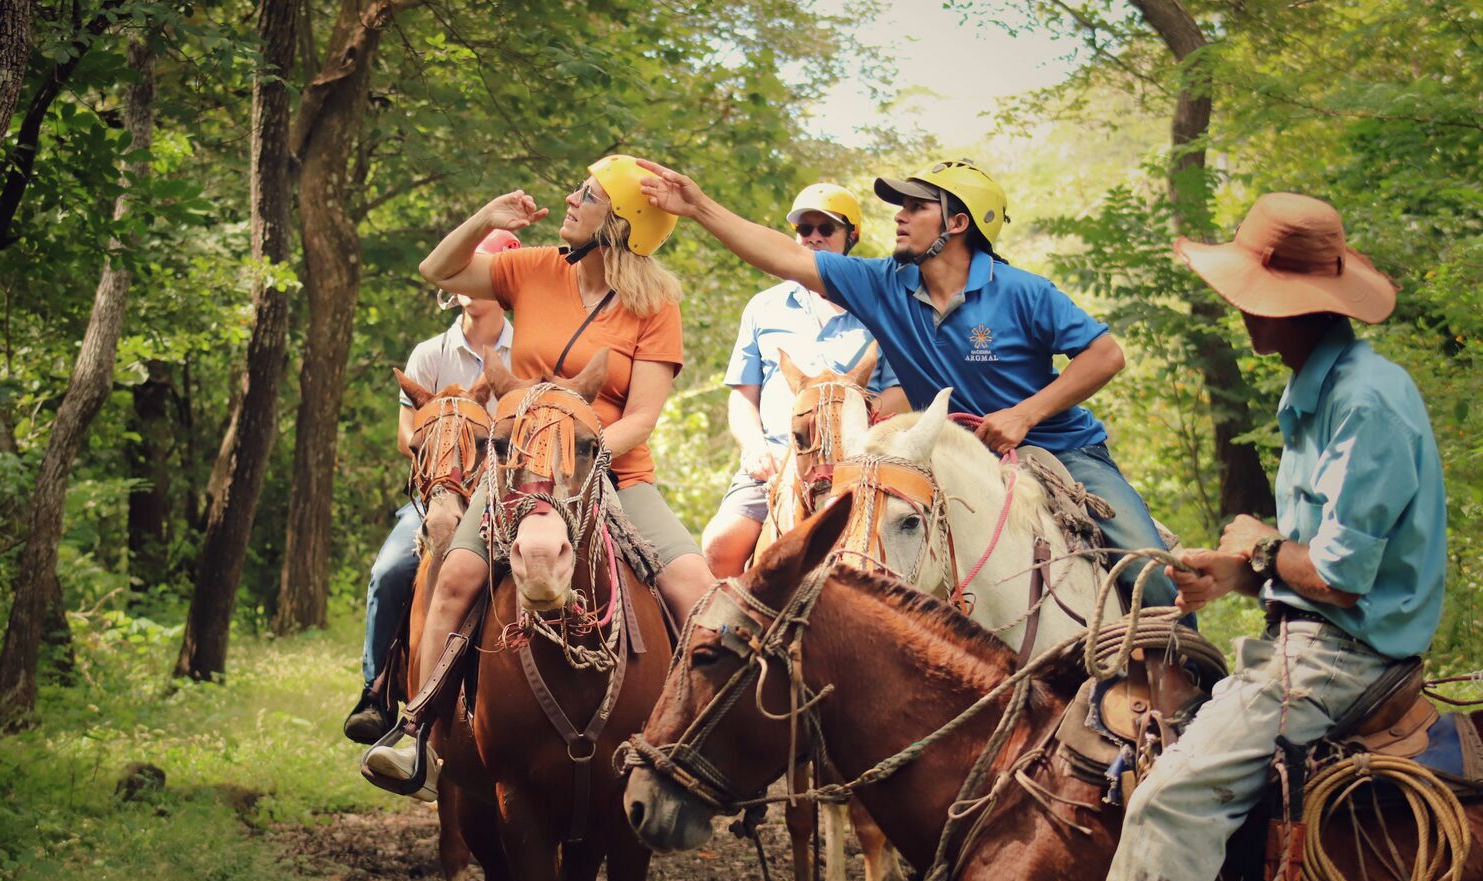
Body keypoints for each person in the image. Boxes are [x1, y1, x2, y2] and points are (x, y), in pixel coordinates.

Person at [1075, 193, 1445, 881]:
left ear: (1290, 306)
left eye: (1249, 292)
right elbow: (1310, 562)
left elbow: (1341, 580)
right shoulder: (1312, 388)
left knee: (1168, 800)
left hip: (1340, 656)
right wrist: (1238, 574)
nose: (1237, 307)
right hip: (1312, 635)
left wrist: (1261, 545)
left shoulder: (1364, 401)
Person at [635, 157, 1177, 607]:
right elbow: (784, 255)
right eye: (901, 205)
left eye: (916, 207)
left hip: (1060, 449)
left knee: (1150, 573)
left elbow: (1104, 355)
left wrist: (1024, 414)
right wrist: (699, 208)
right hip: (946, 456)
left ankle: (1189, 700)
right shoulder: (883, 284)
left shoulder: (1024, 291)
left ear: (957, 224)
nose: (899, 216)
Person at [365, 155, 717, 791]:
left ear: (623, 224)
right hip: (514, 472)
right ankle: (416, 729)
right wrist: (486, 219)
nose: (571, 198)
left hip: (612, 472)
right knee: (457, 576)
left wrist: (574, 459)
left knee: (698, 590)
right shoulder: (534, 268)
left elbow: (640, 417)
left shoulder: (657, 304)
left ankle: (695, 749)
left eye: (587, 193)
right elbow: (436, 269)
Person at [342, 230, 518, 744]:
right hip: (438, 490)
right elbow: (405, 435)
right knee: (390, 570)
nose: (467, 277)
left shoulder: (523, 352)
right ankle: (377, 690)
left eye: (479, 267)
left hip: (503, 494)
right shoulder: (430, 354)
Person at [703, 182, 908, 577]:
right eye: (804, 229)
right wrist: (755, 448)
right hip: (778, 460)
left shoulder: (878, 306)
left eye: (826, 229)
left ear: (852, 236)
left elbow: (900, 391)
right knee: (719, 545)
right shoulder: (764, 307)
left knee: (898, 554)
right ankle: (720, 633)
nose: (813, 237)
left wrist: (852, 423)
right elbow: (744, 396)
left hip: (858, 459)